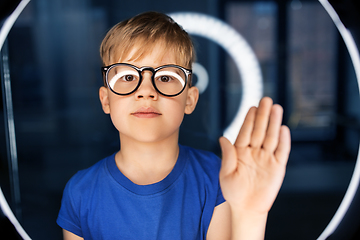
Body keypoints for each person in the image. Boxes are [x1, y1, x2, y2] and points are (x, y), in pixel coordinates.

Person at [56, 11, 291, 240]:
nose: (146, 91)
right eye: (128, 77)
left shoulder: (218, 178)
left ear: (190, 99)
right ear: (106, 100)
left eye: (166, 78)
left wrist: (251, 215)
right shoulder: (80, 192)